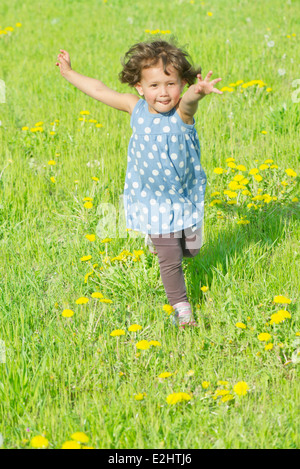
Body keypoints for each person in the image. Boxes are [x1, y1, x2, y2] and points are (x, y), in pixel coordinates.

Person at [56, 39, 222, 328]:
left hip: (183, 196)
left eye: (170, 84)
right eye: (154, 85)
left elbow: (191, 102)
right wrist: (70, 73)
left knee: (191, 250)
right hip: (151, 199)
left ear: (182, 84)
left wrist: (199, 91)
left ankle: (158, 242)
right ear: (139, 88)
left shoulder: (181, 114)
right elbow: (99, 90)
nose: (163, 92)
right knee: (170, 258)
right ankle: (182, 311)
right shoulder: (136, 109)